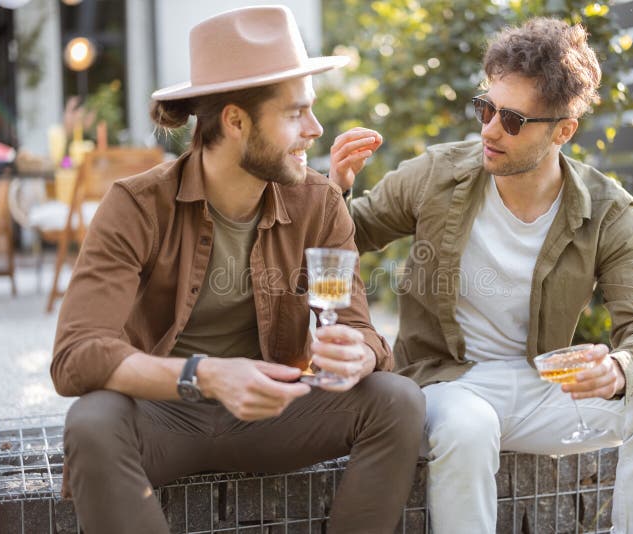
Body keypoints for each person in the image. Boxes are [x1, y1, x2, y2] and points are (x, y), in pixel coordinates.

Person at [50, 6, 424, 534]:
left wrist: (357, 352)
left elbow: (362, 330)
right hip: (165, 414)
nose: (315, 130)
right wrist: (204, 375)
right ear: (235, 120)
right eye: (296, 114)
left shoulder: (318, 203)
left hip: (276, 412)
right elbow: (75, 356)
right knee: (91, 421)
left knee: (397, 401)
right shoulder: (136, 205)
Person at [329, 17, 633, 533]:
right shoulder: (437, 173)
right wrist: (335, 187)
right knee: (470, 428)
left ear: (563, 131)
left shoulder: (608, 211)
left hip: (545, 387)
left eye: (514, 120)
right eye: (486, 108)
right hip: (448, 385)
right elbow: (352, 232)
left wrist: (619, 368)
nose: (489, 129)